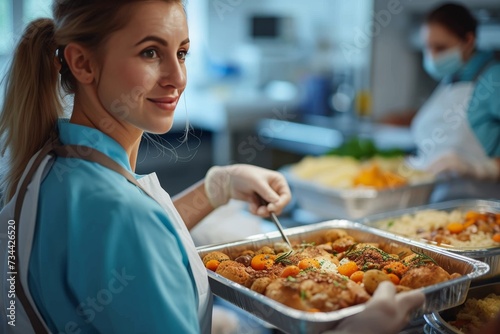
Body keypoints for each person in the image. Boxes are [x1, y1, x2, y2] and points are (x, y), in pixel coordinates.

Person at [0, 1, 423, 333]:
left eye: (181, 52)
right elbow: (130, 232)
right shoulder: (116, 211)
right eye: (150, 52)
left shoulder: (52, 159)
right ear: (83, 63)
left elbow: (131, 251)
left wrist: (216, 188)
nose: (177, 77)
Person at [405, 3, 500, 185]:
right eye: (428, 47)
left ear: (468, 41)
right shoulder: (451, 79)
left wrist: (483, 168)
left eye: (440, 48)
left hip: (482, 199)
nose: (432, 56)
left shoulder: (494, 79)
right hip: (439, 193)